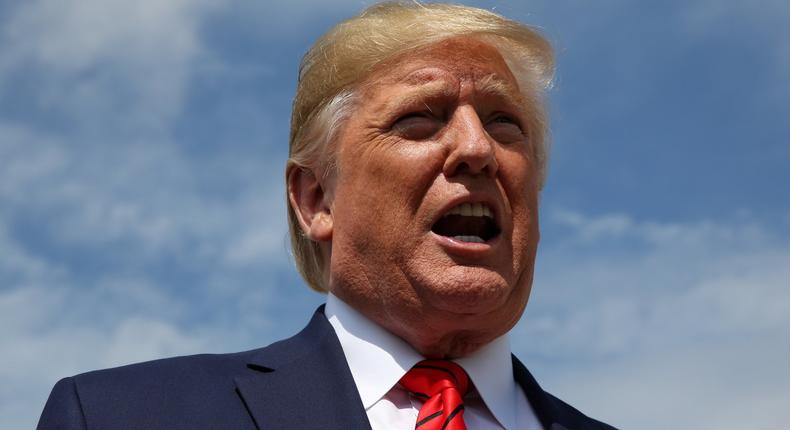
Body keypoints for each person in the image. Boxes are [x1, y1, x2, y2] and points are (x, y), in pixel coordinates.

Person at [37, 2, 616, 429]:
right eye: (420, 117)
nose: (476, 148)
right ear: (316, 199)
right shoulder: (118, 416)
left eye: (503, 123)